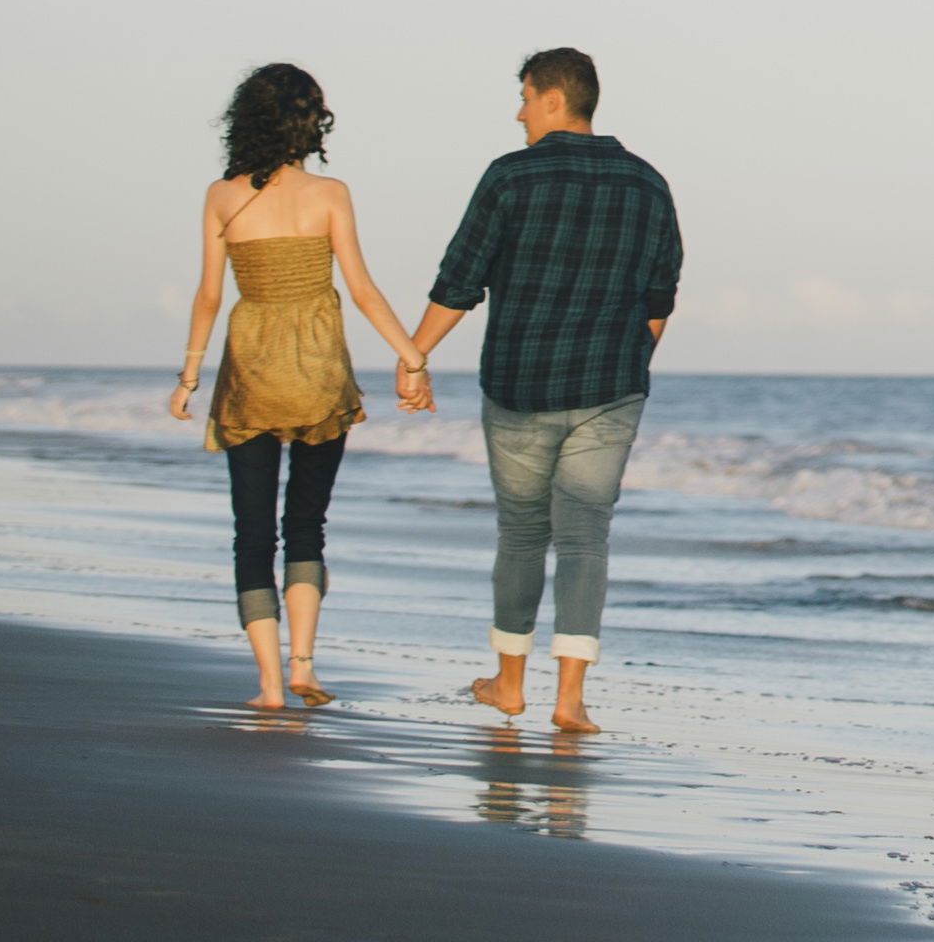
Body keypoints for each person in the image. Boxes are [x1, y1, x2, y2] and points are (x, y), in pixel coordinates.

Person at [401, 45, 682, 734]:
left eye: (525, 96)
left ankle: (509, 683)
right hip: (610, 387)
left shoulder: (509, 178)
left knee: (523, 533)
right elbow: (660, 296)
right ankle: (570, 699)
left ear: (555, 98)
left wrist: (415, 356)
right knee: (586, 537)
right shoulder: (647, 183)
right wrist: (626, 358)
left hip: (520, 383)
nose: (519, 111)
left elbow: (459, 278)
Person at [166, 62, 427, 711]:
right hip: (317, 370)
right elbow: (363, 290)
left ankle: (268, 685)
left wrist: (190, 374)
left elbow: (206, 295)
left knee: (252, 532)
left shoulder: (222, 196)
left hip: (251, 371)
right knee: (306, 523)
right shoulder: (331, 194)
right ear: (311, 123)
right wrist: (412, 357)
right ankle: (305, 664)